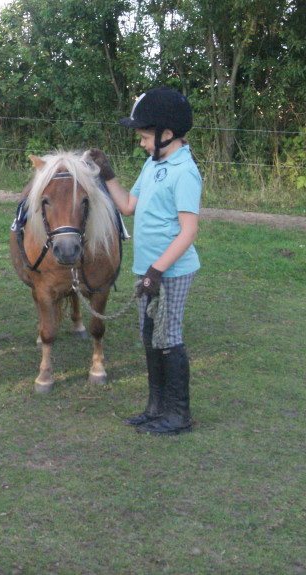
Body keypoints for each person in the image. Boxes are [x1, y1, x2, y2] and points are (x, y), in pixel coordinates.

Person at [91, 87, 201, 435]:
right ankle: (156, 407)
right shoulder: (153, 165)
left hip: (170, 270)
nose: (141, 143)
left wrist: (157, 269)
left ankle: (178, 414)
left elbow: (188, 231)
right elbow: (128, 205)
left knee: (168, 338)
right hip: (148, 270)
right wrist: (106, 173)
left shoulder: (185, 172)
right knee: (148, 335)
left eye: (143, 136)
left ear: (166, 134)